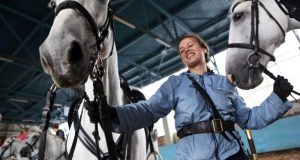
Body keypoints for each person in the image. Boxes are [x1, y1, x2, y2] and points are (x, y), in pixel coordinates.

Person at [87, 34, 293, 159]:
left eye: (190, 46)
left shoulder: (225, 84)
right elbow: (149, 110)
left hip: (232, 153)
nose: (185, 51)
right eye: (181, 50)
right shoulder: (174, 84)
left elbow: (249, 119)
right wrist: (114, 114)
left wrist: (277, 96)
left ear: (204, 49)